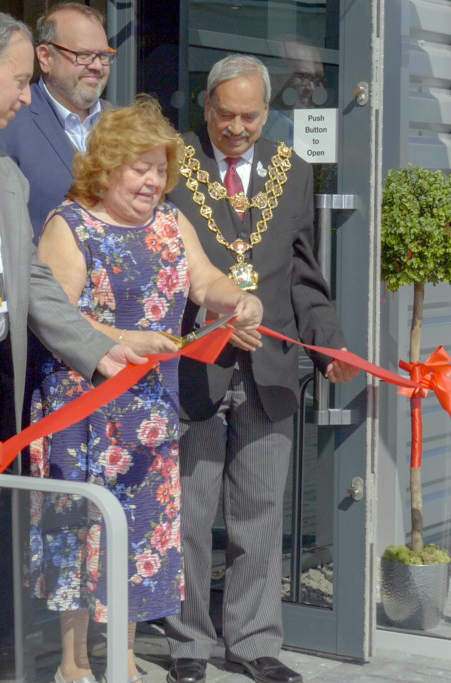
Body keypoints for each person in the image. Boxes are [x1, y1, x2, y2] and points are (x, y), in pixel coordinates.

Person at [28, 96, 264, 683]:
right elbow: (57, 318)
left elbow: (204, 279)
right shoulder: (70, 224)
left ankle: (125, 660)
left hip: (147, 413)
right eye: (141, 168)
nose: (154, 181)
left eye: (161, 169)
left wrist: (238, 300)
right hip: (84, 410)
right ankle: (75, 666)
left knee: (137, 538)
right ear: (107, 167)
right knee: (80, 536)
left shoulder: (170, 221)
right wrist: (127, 335)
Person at [164, 55, 359, 683]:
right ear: (206, 107)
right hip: (194, 366)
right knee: (190, 518)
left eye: (251, 115)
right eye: (226, 114)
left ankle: (252, 642)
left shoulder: (292, 170)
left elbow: (305, 271)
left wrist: (327, 343)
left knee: (259, 516)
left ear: (267, 112)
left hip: (270, 369)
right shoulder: (170, 163)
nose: (238, 127)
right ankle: (189, 646)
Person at [0, 11, 142, 680]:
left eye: (106, 55)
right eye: (17, 81)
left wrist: (100, 348)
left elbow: (29, 279)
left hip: (12, 372)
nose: (22, 99)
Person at [0, 2, 114, 238]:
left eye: (103, 56)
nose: (97, 66)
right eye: (84, 55)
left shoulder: (127, 126)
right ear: (46, 58)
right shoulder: (8, 124)